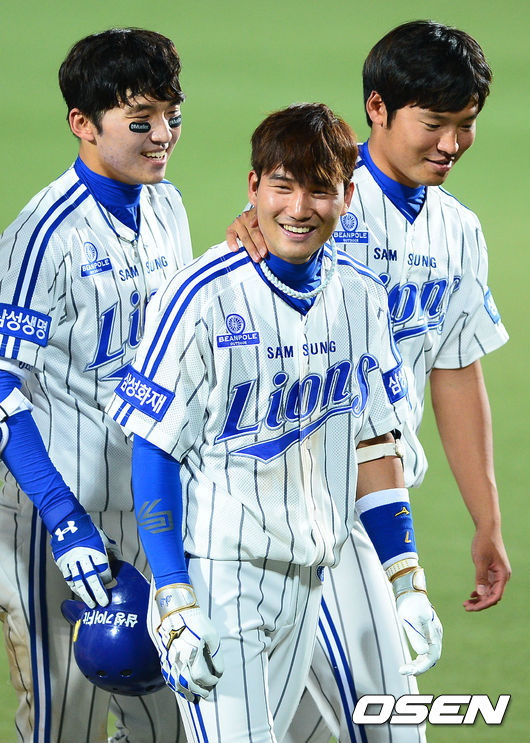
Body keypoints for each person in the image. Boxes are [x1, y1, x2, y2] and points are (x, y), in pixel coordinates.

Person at [107, 102, 442, 743]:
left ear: (347, 196)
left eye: (320, 189)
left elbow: (375, 443)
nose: (299, 208)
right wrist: (173, 595)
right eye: (283, 187)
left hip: (309, 582)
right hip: (220, 581)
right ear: (254, 188)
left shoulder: (361, 298)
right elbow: (154, 449)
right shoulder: (201, 297)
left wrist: (407, 579)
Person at [227, 21, 510, 743]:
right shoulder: (314, 205)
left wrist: (486, 519)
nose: (451, 143)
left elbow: (456, 368)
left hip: (378, 497)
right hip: (294, 503)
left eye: (466, 123)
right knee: (387, 723)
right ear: (377, 109)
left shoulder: (457, 229)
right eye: (434, 123)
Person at [0, 28, 192, 743]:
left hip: (149, 509)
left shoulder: (166, 206)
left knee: (168, 720)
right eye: (141, 121)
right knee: (65, 721)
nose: (162, 135)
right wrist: (62, 519)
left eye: (172, 116)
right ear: (83, 123)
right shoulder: (42, 235)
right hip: (52, 518)